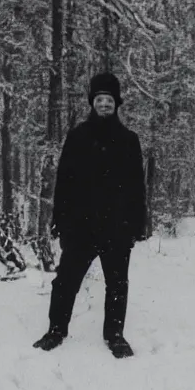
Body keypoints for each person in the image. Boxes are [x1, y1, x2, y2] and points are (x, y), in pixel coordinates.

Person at [33, 72, 147, 359]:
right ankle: (56, 331)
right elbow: (64, 181)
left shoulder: (129, 140)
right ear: (92, 103)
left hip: (116, 227)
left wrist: (136, 224)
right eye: (100, 99)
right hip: (81, 227)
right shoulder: (77, 137)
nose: (105, 105)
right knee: (65, 281)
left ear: (116, 103)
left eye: (109, 100)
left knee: (117, 284)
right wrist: (60, 219)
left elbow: (137, 185)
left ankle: (115, 336)